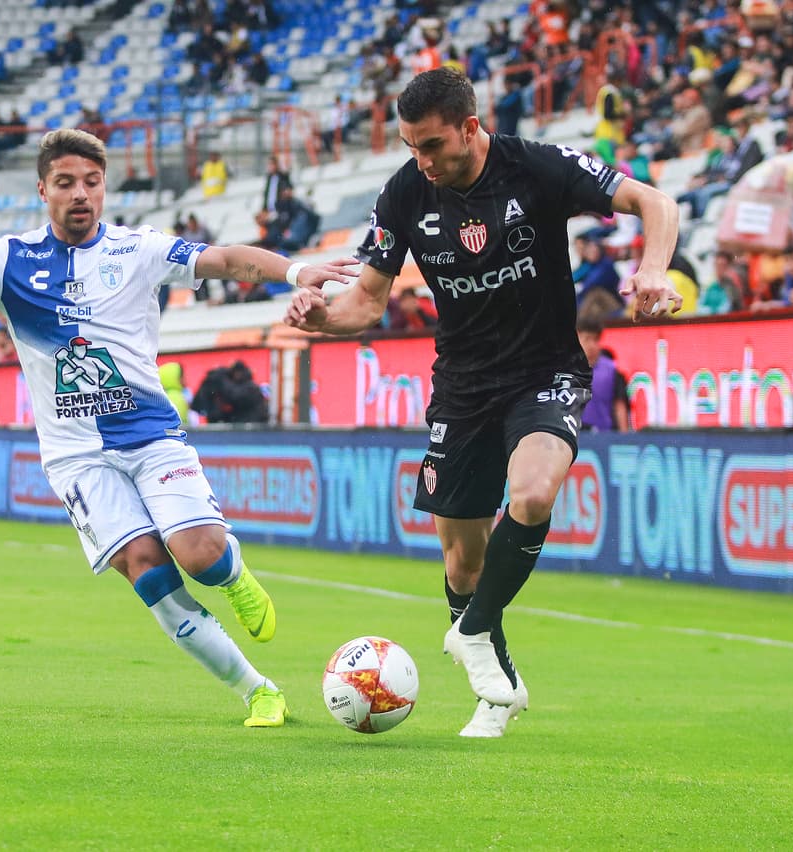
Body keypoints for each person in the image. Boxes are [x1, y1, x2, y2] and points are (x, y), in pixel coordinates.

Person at [0, 128, 356, 727]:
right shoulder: (7, 261)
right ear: (43, 190)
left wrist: (297, 271)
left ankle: (231, 574)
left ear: (104, 188)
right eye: (66, 183)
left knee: (198, 554)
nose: (80, 194)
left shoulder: (138, 249)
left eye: (92, 182)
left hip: (150, 436)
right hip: (76, 457)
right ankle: (258, 691)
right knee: (148, 570)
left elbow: (225, 260)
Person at [284, 68, 680, 738]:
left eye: (432, 145)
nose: (422, 160)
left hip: (545, 371)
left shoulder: (538, 166)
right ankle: (496, 689)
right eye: (411, 147)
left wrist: (652, 268)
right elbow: (367, 302)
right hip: (462, 387)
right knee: (462, 562)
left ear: (470, 127)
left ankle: (472, 632)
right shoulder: (405, 193)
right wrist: (320, 317)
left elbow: (655, 202)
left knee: (533, 492)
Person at [575, 317, 629, 432]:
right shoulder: (564, 369)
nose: (592, 345)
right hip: (572, 435)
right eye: (587, 339)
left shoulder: (612, 370)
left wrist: (624, 437)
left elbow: (620, 405)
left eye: (596, 340)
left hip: (604, 436)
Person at [190, 361, 268, 423]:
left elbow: (235, 396)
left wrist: (222, 379)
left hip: (254, 427)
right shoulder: (241, 385)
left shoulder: (251, 387)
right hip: (247, 426)